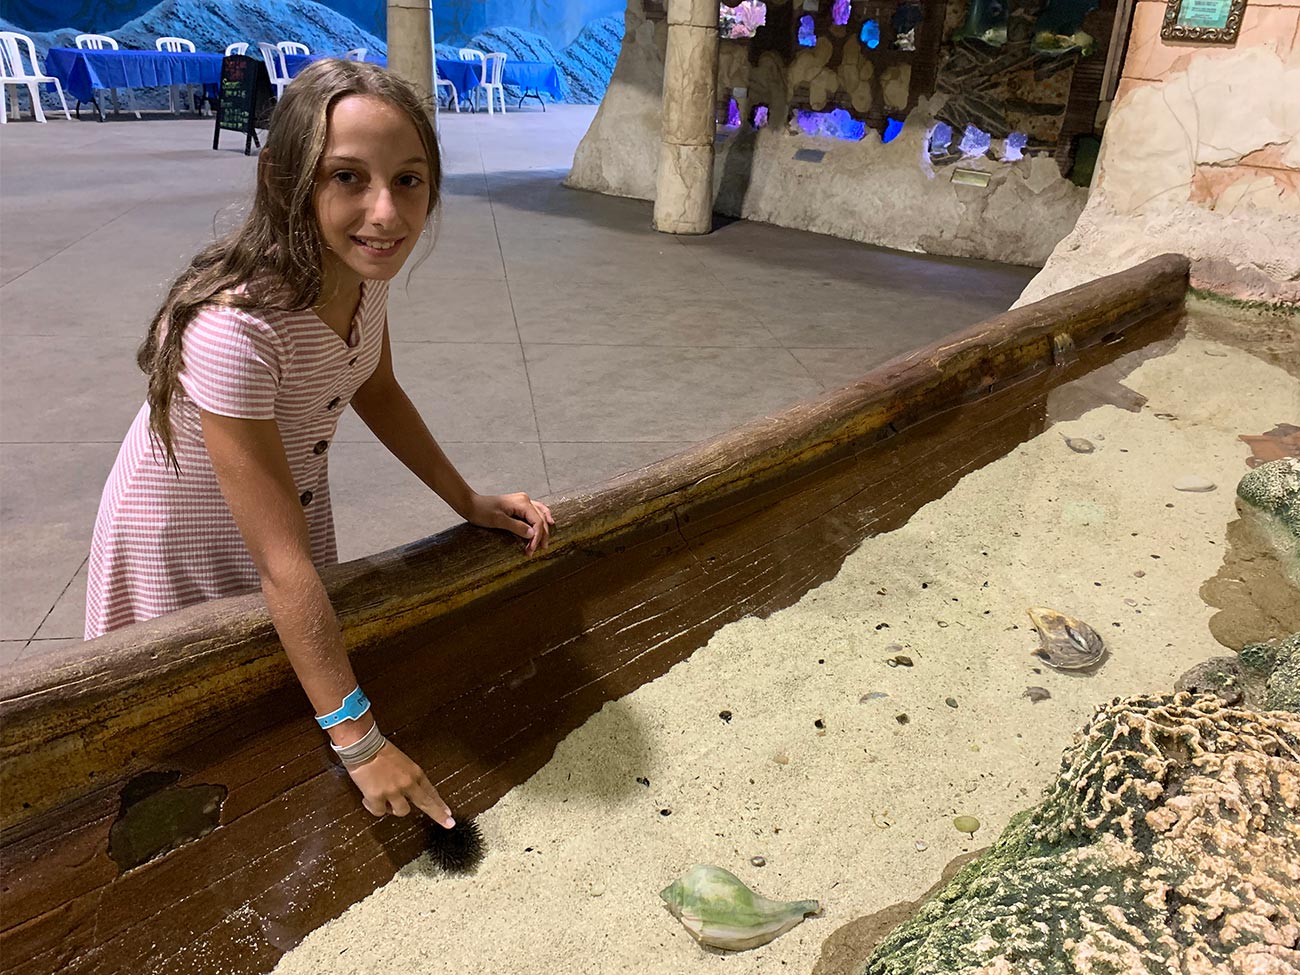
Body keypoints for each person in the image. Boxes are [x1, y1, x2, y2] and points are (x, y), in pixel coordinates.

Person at [85, 59, 553, 828]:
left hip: (286, 500)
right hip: (187, 533)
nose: (386, 213)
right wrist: (363, 741)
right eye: (347, 178)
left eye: (409, 179)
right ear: (285, 180)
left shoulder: (362, 274)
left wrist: (466, 498)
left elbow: (374, 384)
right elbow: (280, 562)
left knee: (276, 697)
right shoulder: (238, 328)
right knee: (178, 730)